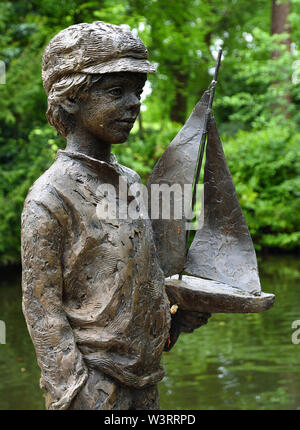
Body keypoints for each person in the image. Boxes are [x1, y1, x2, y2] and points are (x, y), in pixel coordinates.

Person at [21, 21, 210, 410]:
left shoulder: (133, 182)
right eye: (116, 91)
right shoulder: (50, 196)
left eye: (137, 92)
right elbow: (42, 310)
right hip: (93, 389)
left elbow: (141, 280)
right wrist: (74, 391)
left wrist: (176, 319)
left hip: (144, 383)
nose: (134, 104)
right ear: (72, 98)